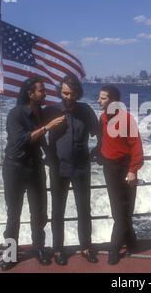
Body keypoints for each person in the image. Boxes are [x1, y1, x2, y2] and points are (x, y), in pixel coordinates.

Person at [2, 77, 65, 271]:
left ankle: (39, 249)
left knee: (39, 213)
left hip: (36, 168)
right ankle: (10, 255)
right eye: (42, 90)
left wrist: (51, 157)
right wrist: (47, 127)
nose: (45, 93)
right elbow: (21, 140)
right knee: (14, 214)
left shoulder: (40, 113)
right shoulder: (15, 114)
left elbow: (41, 140)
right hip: (15, 168)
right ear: (31, 94)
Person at [44, 76, 99, 266]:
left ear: (78, 93)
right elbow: (39, 132)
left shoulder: (85, 111)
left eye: (72, 93)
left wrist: (96, 151)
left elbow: (99, 133)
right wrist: (47, 155)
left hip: (82, 167)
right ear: (60, 91)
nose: (69, 96)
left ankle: (86, 246)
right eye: (65, 93)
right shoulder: (50, 111)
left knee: (84, 209)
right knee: (57, 210)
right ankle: (58, 248)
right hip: (58, 168)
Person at [97, 85, 144, 265]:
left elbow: (136, 147)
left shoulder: (126, 119)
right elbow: (103, 140)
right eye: (99, 97)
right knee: (119, 209)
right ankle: (131, 242)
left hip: (126, 168)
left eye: (103, 98)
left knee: (124, 208)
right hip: (109, 168)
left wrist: (133, 170)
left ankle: (114, 248)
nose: (99, 101)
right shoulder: (102, 118)